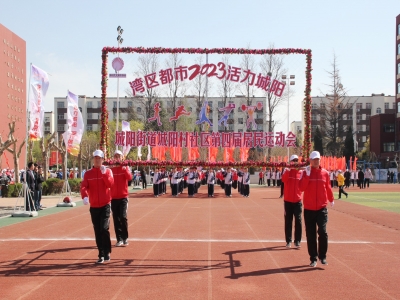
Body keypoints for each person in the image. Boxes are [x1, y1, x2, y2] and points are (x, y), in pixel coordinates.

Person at [299, 151, 334, 267]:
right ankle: (313, 258)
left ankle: (322, 256)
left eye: (317, 159)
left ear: (320, 160)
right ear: (310, 160)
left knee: (323, 232)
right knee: (311, 234)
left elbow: (328, 187)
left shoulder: (325, 173)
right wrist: (307, 176)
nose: (315, 161)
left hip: (321, 208)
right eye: (313, 159)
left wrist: (331, 199)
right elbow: (301, 188)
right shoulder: (305, 173)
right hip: (309, 208)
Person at [80, 150, 114, 264]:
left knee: (104, 229)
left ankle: (107, 251)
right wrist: (84, 196)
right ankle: (101, 254)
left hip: (105, 205)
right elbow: (84, 186)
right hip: (94, 206)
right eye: (95, 158)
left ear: (103, 159)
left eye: (99, 158)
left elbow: (110, 184)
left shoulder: (107, 171)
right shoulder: (88, 174)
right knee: (97, 230)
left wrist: (104, 174)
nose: (97, 160)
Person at [110, 150, 132, 247]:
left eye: (119, 156)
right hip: (114, 197)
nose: (117, 158)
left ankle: (125, 237)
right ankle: (119, 239)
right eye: (116, 156)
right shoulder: (111, 169)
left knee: (123, 217)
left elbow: (130, 177)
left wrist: (125, 169)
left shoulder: (125, 167)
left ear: (122, 157)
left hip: (123, 197)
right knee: (116, 219)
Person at [281, 154, 303, 248]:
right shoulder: (286, 171)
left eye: (296, 160)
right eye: (293, 160)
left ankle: (297, 241)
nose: (295, 162)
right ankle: (288, 241)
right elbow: (283, 180)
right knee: (288, 221)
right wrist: (288, 171)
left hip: (298, 201)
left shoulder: (301, 172)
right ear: (290, 162)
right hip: (288, 201)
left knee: (298, 220)